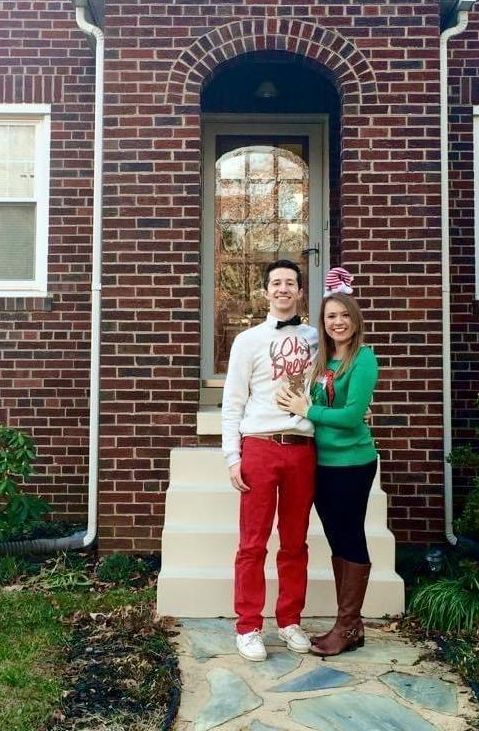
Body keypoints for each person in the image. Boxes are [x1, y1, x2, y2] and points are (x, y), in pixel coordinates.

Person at [221, 259, 319, 662]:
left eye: (290, 283)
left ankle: (290, 619)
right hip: (259, 445)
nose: (283, 289)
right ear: (265, 292)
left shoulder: (317, 338)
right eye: (276, 283)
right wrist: (233, 456)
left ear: (299, 292)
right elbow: (232, 402)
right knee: (253, 543)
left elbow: (338, 375)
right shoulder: (247, 341)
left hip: (301, 448)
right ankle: (248, 626)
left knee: (295, 542)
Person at [276, 272, 378, 657]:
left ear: (355, 320)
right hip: (321, 461)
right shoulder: (324, 359)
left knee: (350, 536)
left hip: (352, 463)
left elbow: (352, 416)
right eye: (330, 317)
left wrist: (309, 409)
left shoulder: (363, 359)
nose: (337, 322)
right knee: (337, 537)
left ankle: (348, 624)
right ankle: (349, 624)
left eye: (343, 316)